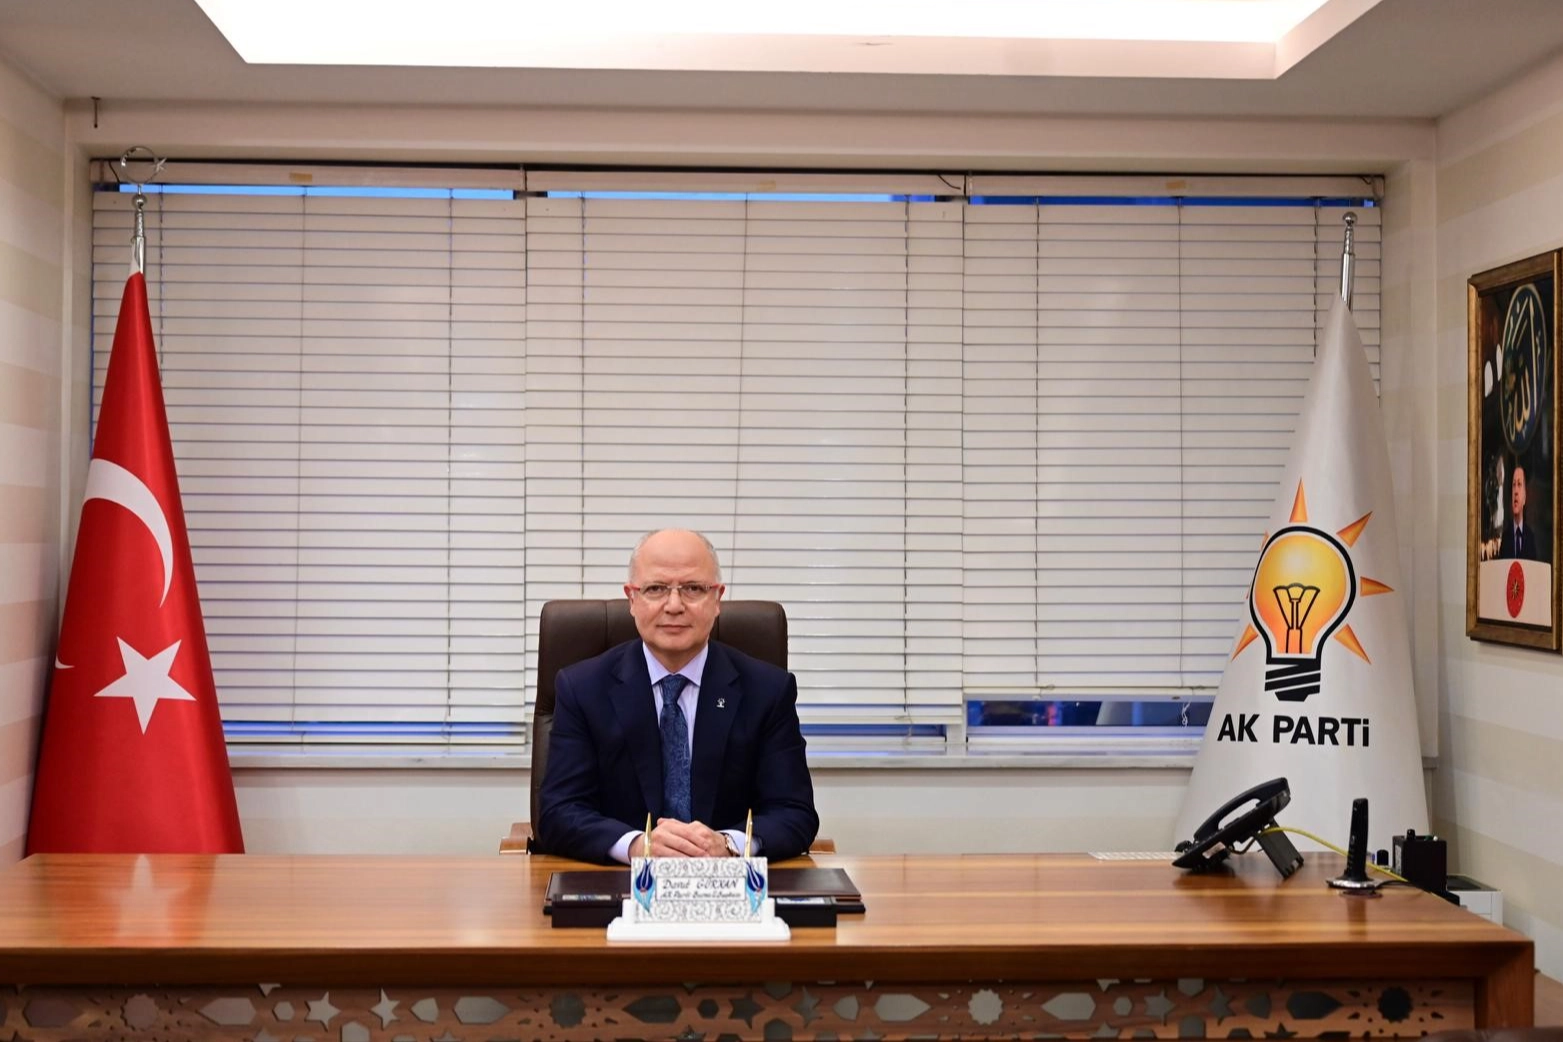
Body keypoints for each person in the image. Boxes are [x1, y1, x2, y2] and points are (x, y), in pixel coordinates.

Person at [535, 529, 819, 864]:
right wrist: (638, 846)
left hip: (725, 883)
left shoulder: (767, 690)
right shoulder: (582, 688)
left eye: (693, 589)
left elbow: (795, 813)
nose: (673, 606)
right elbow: (559, 812)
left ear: (717, 599)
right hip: (621, 881)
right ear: (632, 599)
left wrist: (727, 844)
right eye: (655, 589)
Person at [1498, 462, 1538, 560]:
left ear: (1525, 497)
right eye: (1513, 485)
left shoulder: (1531, 537)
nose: (1515, 491)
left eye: (1519, 484)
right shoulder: (1505, 538)